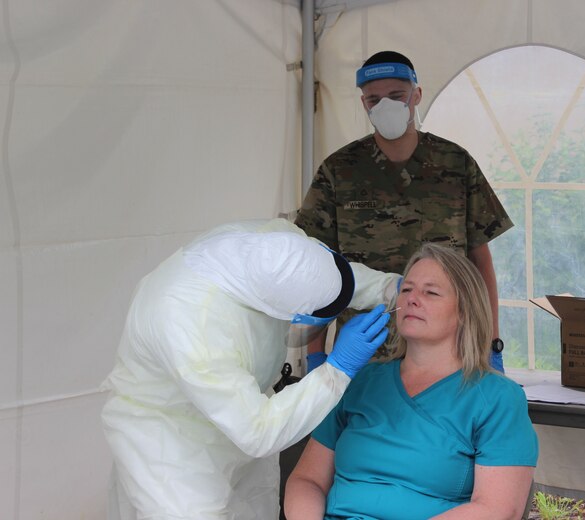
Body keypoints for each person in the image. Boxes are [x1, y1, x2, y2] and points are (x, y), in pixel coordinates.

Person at [101, 218, 402, 520]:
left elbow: (322, 275)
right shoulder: (190, 324)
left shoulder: (276, 243)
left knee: (256, 507)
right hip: (172, 438)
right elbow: (257, 432)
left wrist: (388, 287)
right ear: (287, 310)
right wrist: (337, 370)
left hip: (245, 407)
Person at [284, 243, 538, 520]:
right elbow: (307, 480)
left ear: (465, 311)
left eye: (431, 292)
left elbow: (498, 509)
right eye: (406, 289)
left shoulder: (498, 398)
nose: (412, 299)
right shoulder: (360, 381)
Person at [294, 50, 512, 372]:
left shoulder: (455, 164)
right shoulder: (339, 171)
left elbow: (481, 261)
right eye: (374, 100)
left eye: (397, 96)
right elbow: (318, 267)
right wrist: (315, 355)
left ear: (416, 95)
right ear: (364, 104)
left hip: (448, 352)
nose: (386, 106)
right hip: (365, 355)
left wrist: (491, 343)